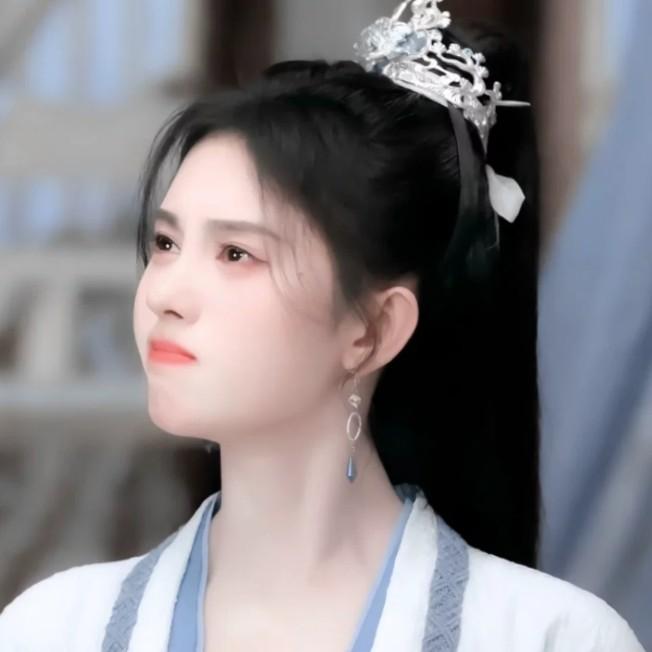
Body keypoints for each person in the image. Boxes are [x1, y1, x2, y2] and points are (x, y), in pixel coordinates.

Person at [0, 1, 645, 650]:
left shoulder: (550, 635)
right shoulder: (54, 628)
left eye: (235, 254)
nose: (165, 295)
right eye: (166, 244)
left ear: (372, 329)